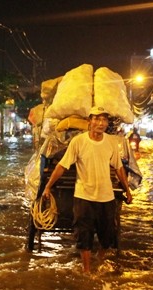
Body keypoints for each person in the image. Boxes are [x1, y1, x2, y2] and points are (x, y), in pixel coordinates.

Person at [41, 106, 133, 273]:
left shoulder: (111, 142)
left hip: (106, 197)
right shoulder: (79, 141)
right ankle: (87, 270)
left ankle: (100, 257)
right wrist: (48, 186)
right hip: (84, 197)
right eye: (97, 119)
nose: (101, 123)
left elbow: (119, 167)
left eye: (104, 119)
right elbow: (62, 165)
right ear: (89, 121)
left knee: (108, 236)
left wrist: (127, 189)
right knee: (84, 235)